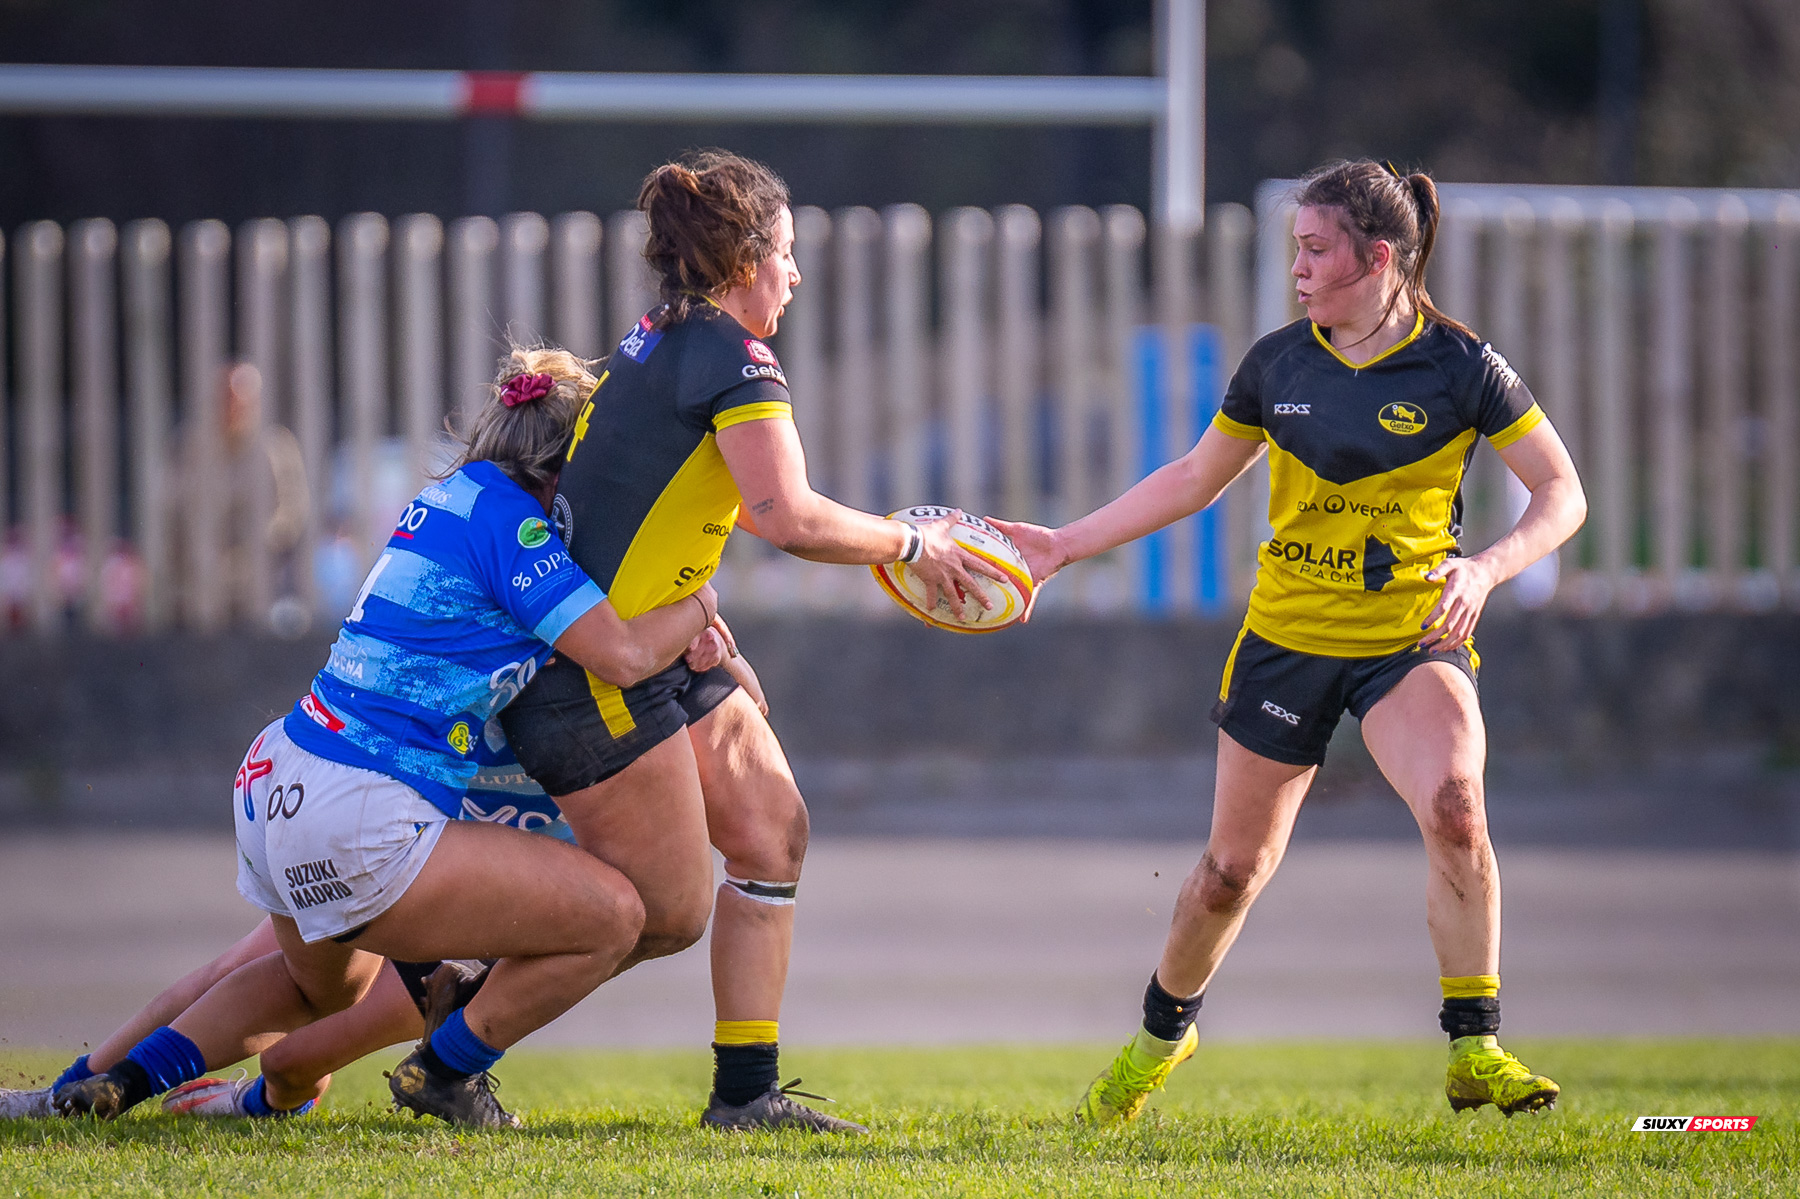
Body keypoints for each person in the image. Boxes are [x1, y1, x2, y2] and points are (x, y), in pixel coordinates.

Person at [994, 160, 1588, 1124]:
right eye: (1295, 250)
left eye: (1315, 250)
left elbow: (1564, 494)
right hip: (1286, 639)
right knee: (1230, 872)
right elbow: (1193, 476)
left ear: (1378, 256)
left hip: (1410, 639)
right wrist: (1062, 544)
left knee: (1456, 806)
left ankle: (1477, 1045)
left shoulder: (1461, 366)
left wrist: (1483, 569)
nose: (1299, 269)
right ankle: (1160, 1037)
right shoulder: (1278, 363)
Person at [49, 358, 720, 1128]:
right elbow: (626, 654)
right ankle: (446, 1072)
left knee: (316, 989)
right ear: (569, 462)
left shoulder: (451, 495)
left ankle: (111, 1085)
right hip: (362, 807)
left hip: (278, 777)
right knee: (616, 913)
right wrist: (702, 600)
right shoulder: (522, 525)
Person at [498, 149, 1005, 1133]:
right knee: (646, 911)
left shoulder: (665, 337)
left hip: (666, 641)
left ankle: (745, 1092)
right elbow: (785, 513)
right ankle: (448, 1045)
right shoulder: (733, 359)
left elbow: (668, 503)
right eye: (787, 254)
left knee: (774, 827)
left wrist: (704, 613)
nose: (796, 275)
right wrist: (913, 541)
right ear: (744, 262)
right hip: (604, 666)